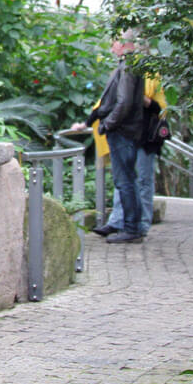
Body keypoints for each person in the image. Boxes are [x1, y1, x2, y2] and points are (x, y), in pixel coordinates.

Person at [72, 30, 165, 244]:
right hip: (128, 130)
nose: (112, 47)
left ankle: (133, 227)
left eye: (114, 43)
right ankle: (127, 225)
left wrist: (108, 124)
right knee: (126, 180)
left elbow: (124, 102)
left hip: (126, 132)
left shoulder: (130, 67)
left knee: (128, 181)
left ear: (124, 45)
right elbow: (108, 102)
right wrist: (90, 122)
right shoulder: (127, 66)